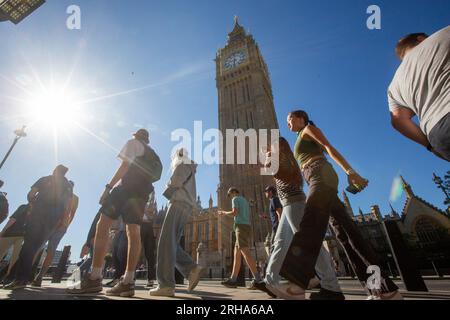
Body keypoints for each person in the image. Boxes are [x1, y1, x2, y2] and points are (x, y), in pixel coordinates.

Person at [281, 110, 402, 300]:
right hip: (315, 176)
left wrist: (350, 171)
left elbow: (328, 147)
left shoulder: (308, 129)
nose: (287, 124)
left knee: (311, 221)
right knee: (347, 235)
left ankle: (298, 279)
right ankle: (383, 289)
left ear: (300, 118)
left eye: (289, 120)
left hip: (320, 174)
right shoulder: (299, 137)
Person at [68, 129, 161, 298]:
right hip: (141, 195)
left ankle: (95, 277)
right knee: (134, 233)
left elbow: (125, 165)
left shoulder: (133, 143)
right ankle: (128, 282)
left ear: (135, 136)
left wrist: (108, 187)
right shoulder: (152, 154)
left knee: (102, 225)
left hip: (124, 190)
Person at [255, 138, 344, 300]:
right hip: (290, 204)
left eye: (272, 145)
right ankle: (270, 281)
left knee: (310, 244)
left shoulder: (282, 158)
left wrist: (267, 156)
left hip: (294, 204)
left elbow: (272, 170)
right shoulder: (284, 158)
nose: (269, 147)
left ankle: (332, 287)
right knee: (280, 243)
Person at [4, 165, 73, 289]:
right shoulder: (68, 186)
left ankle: (21, 279)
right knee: (35, 248)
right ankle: (23, 278)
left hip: (38, 214)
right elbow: (67, 206)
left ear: (55, 170)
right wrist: (63, 221)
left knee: (28, 246)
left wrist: (31, 203)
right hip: (53, 219)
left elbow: (31, 193)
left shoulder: (45, 178)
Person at [388, 26, 450, 161]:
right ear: (421, 38)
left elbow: (398, 120)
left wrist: (429, 145)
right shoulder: (442, 35)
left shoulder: (394, 85)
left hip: (438, 134)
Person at [150, 149, 203, 297]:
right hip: (186, 207)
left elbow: (175, 183)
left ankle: (166, 284)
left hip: (178, 203)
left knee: (165, 242)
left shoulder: (182, 165)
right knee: (171, 243)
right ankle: (191, 268)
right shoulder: (190, 168)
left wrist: (167, 188)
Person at [31, 183, 79, 287]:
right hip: (61, 225)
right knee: (50, 250)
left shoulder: (60, 193)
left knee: (39, 248)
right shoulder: (75, 198)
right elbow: (73, 213)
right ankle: (39, 276)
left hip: (51, 222)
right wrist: (66, 225)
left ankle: (31, 275)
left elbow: (70, 212)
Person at [219, 188, 262, 290]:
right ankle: (233, 280)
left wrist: (224, 213)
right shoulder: (245, 201)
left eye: (229, 195)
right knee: (236, 254)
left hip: (240, 227)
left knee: (245, 252)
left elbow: (235, 213)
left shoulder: (235, 199)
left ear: (233, 192)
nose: (230, 197)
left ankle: (258, 279)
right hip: (246, 226)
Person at [0, 204, 31, 281]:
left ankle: (8, 278)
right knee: (15, 259)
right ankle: (8, 278)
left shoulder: (23, 207)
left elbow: (13, 219)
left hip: (10, 234)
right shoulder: (38, 212)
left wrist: (3, 231)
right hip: (22, 236)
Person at [264, 186, 282, 255]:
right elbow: (275, 215)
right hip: (276, 225)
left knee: (273, 244)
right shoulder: (274, 200)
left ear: (270, 192)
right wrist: (267, 217)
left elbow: (279, 212)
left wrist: (280, 226)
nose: (265, 193)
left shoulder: (274, 199)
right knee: (274, 243)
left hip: (277, 226)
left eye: (266, 192)